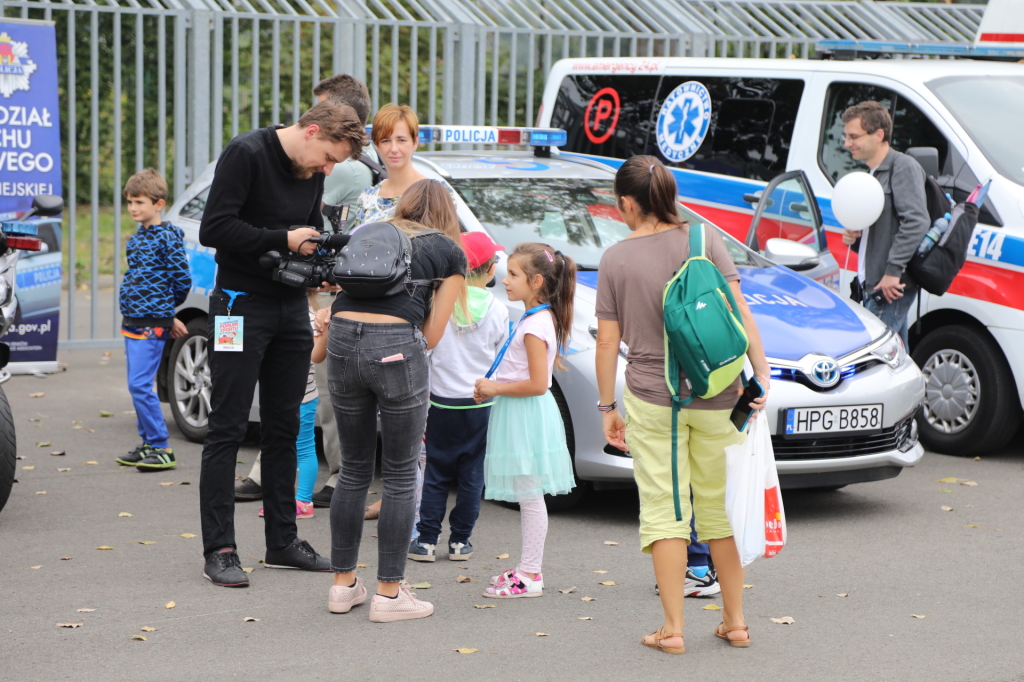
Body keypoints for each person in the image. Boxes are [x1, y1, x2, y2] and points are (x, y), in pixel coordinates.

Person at [594, 156, 770, 653]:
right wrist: (760, 373)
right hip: (719, 393)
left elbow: (607, 344)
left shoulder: (616, 260)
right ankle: (735, 622)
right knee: (715, 507)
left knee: (666, 511)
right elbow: (739, 310)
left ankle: (673, 629)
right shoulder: (704, 239)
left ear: (628, 202)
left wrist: (607, 406)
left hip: (653, 399)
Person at [197, 100, 366, 588]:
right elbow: (215, 228)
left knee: (286, 425)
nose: (328, 169)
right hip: (237, 304)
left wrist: (320, 266)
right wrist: (284, 238)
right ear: (311, 130)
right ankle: (221, 549)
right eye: (328, 157)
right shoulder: (246, 152)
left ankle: (281, 542)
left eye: (335, 164)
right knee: (227, 426)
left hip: (291, 307)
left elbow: (306, 232)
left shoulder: (312, 169)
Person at [325, 179, 467, 622]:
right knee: (403, 474)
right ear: (447, 212)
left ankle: (342, 586)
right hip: (396, 347)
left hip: (342, 336)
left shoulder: (371, 231)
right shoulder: (447, 251)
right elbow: (433, 335)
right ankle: (389, 594)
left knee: (353, 468)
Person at [235, 73, 375, 507]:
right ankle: (285, 480)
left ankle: (330, 481)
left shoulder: (333, 166)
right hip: (279, 289)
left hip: (313, 294)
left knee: (314, 399)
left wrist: (318, 267)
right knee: (294, 399)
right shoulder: (261, 154)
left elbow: (303, 226)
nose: (305, 116)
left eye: (319, 106)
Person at [473, 242, 577, 599]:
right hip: (520, 411)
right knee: (527, 494)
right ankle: (527, 567)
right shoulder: (536, 318)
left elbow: (537, 383)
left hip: (525, 413)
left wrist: (495, 387)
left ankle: (531, 573)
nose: (505, 279)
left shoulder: (536, 325)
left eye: (514, 274)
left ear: (535, 281)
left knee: (530, 497)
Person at [407, 232, 509, 563]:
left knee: (436, 472)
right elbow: (500, 358)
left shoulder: (440, 302)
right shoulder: (498, 310)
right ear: (491, 268)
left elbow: (428, 351)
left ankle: (425, 541)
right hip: (482, 402)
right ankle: (460, 542)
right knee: (471, 476)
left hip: (439, 402)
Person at [115, 168, 191, 471]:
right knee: (137, 385)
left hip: (152, 321)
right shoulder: (137, 239)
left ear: (158, 204)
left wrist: (166, 314)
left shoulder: (167, 238)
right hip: (133, 320)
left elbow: (181, 279)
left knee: (139, 385)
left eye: (140, 202)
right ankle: (148, 442)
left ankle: (161, 447)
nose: (133, 208)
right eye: (130, 202)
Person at [840, 100, 930, 348]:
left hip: (888, 286)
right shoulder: (873, 173)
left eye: (854, 136)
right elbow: (883, 232)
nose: (847, 143)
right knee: (896, 362)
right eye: (846, 136)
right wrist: (856, 237)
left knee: (873, 356)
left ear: (879, 134)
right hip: (878, 284)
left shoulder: (902, 167)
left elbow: (916, 221)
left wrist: (892, 271)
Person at [257, 289, 329, 519]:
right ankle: (282, 499)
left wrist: (325, 331)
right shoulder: (287, 316)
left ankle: (304, 501)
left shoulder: (307, 317)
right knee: (281, 448)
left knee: (303, 448)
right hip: (282, 396)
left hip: (302, 396)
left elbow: (315, 355)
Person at [352, 103, 458, 228]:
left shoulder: (436, 194)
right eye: (385, 141)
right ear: (376, 145)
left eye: (401, 140)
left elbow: (446, 242)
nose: (394, 149)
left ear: (415, 142)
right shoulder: (367, 198)